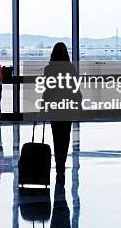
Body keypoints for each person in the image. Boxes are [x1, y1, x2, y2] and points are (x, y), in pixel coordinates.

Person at [43, 42, 81, 183]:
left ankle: (58, 163)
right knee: (65, 137)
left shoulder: (48, 69)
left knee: (56, 136)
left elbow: (47, 90)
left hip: (54, 107)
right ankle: (62, 165)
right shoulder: (70, 69)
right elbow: (75, 88)